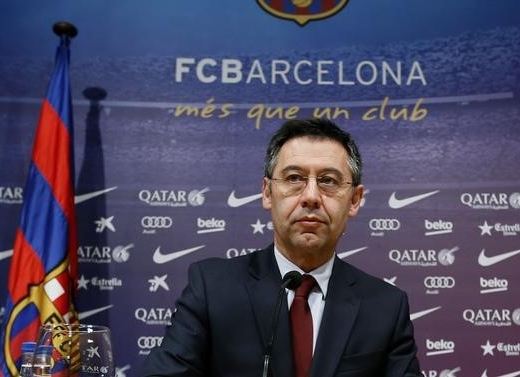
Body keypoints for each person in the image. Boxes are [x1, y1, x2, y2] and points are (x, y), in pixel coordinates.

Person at [142, 118, 423, 376]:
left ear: (354, 200)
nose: (311, 196)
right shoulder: (212, 288)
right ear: (267, 193)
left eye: (328, 181)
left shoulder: (386, 307)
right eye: (294, 179)